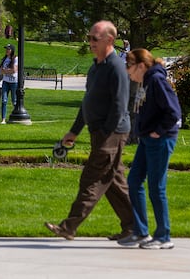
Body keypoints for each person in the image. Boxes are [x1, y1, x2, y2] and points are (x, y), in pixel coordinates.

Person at [44, 20, 135, 241]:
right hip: (100, 132)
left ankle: (69, 226)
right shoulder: (96, 68)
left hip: (112, 133)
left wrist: (105, 133)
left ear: (109, 40)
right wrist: (74, 131)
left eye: (95, 38)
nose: (91, 42)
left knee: (91, 179)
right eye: (89, 38)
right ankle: (134, 227)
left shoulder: (116, 69)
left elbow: (119, 106)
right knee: (114, 182)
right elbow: (88, 103)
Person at [120, 48, 182, 250]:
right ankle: (141, 232)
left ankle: (163, 236)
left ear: (141, 65)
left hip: (160, 140)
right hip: (147, 139)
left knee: (157, 187)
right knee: (134, 179)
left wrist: (159, 131)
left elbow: (174, 112)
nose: (128, 71)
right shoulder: (147, 81)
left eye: (129, 66)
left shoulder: (156, 80)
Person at [0, 44, 18, 124]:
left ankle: (16, 116)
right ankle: (3, 119)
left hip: (14, 82)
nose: (7, 50)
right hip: (5, 81)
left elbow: (14, 70)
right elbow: (1, 70)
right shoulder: (5, 59)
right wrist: (8, 71)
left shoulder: (16, 58)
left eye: (8, 49)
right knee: (4, 100)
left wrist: (6, 71)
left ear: (12, 50)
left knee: (14, 100)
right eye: (6, 49)